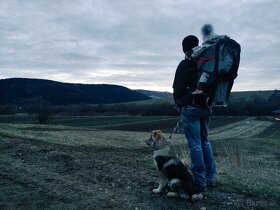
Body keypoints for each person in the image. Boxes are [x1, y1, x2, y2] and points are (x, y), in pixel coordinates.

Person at [172, 35, 217, 195]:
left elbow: (177, 87)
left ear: (184, 48)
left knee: (195, 145)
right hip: (205, 107)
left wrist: (179, 102)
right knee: (205, 142)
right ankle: (211, 178)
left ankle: (200, 182)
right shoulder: (206, 62)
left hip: (190, 108)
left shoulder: (185, 64)